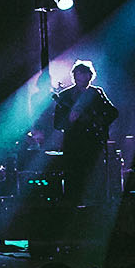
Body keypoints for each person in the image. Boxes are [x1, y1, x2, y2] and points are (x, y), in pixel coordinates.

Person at [52, 59, 118, 203]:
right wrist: (69, 119)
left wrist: (99, 121)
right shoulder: (65, 96)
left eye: (86, 74)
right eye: (79, 73)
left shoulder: (97, 93)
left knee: (96, 180)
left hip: (94, 143)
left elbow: (113, 112)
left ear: (90, 76)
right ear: (74, 76)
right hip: (74, 146)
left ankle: (97, 207)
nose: (83, 77)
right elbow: (57, 124)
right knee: (73, 180)